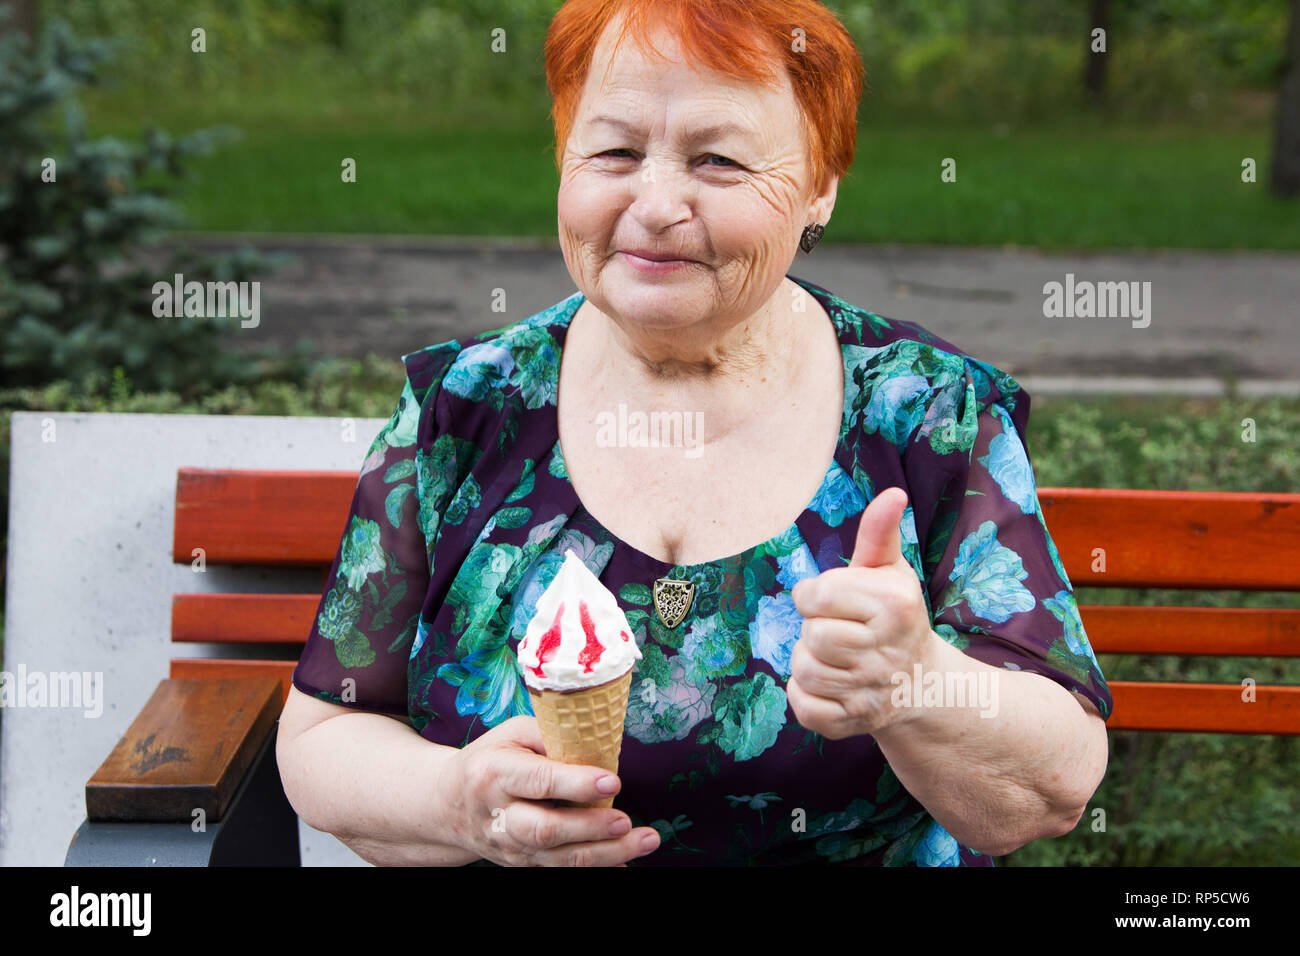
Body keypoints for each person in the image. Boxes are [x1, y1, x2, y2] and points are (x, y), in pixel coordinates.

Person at [276, 0, 1111, 867]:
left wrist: (918, 682)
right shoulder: (470, 404)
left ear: (821, 184)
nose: (657, 203)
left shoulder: (927, 410)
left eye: (717, 159)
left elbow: (1052, 787)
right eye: (614, 151)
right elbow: (323, 736)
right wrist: (457, 805)